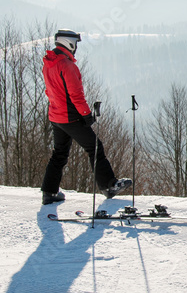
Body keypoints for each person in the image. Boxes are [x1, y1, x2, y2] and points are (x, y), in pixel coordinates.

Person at [40, 29, 131, 205]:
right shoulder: (67, 65)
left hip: (55, 116)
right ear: (70, 43)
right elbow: (76, 95)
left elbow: (49, 91)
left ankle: (49, 193)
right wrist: (86, 115)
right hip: (70, 117)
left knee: (59, 154)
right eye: (75, 44)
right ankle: (109, 186)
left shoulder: (49, 63)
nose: (76, 48)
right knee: (95, 148)